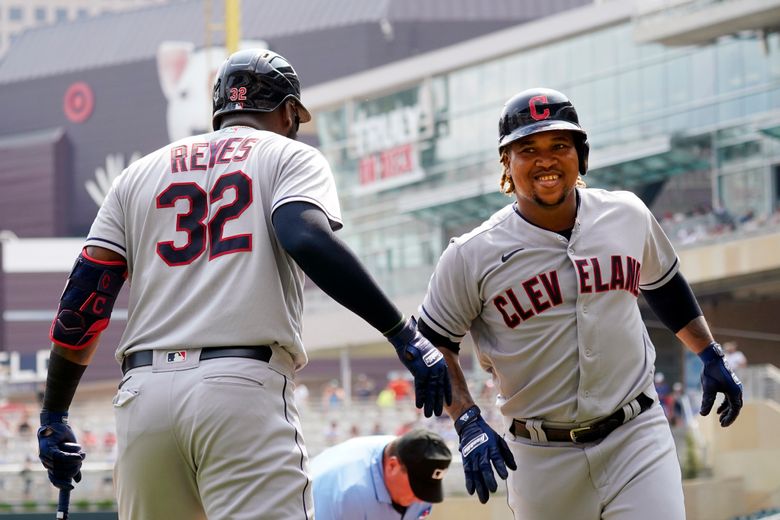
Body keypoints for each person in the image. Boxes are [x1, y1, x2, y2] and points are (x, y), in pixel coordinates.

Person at [36, 48, 451, 520]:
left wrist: (54, 415)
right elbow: (304, 237)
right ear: (289, 111)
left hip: (143, 397)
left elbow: (85, 300)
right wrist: (401, 332)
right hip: (239, 387)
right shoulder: (288, 154)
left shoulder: (136, 174)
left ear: (220, 110)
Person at [416, 88, 744, 519]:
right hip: (539, 454)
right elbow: (431, 344)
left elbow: (664, 284)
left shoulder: (625, 214)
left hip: (636, 434)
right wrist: (466, 420)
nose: (545, 160)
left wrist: (709, 353)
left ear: (580, 157)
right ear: (507, 167)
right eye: (527, 149)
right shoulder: (470, 254)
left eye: (559, 145)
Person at [311, 428, 452, 520]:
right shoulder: (348, 493)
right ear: (392, 466)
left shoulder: (409, 460)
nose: (422, 500)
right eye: (418, 486)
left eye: (428, 488)